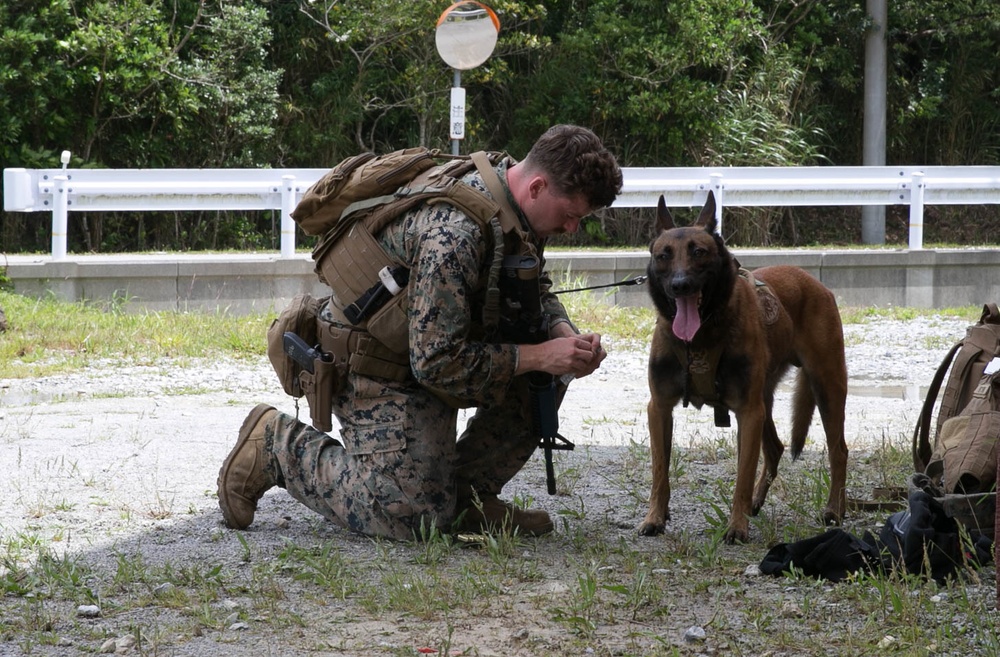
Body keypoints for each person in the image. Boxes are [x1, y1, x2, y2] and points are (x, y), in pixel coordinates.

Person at [217, 124, 623, 540]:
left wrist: (560, 332)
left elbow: (531, 284)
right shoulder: (454, 233)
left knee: (548, 370)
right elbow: (436, 363)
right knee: (413, 517)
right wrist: (540, 355)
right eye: (571, 216)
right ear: (537, 186)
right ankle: (276, 444)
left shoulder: (512, 200)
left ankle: (468, 498)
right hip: (378, 366)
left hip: (427, 353)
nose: (572, 229)